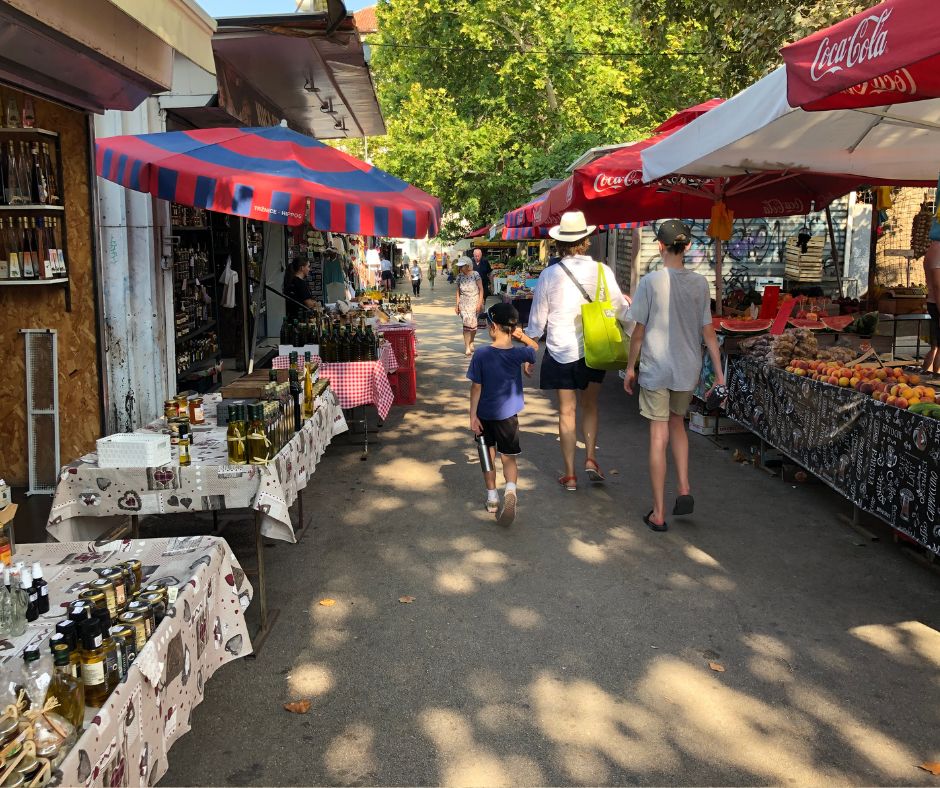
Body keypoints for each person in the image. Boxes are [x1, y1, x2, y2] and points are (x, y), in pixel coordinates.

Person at [623, 220, 725, 533]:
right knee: (677, 423)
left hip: (656, 367)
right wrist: (719, 375)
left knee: (658, 436)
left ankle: (659, 512)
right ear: (689, 247)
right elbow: (708, 332)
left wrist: (630, 367)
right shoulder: (699, 283)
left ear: (660, 246)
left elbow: (638, 332)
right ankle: (683, 487)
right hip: (687, 367)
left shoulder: (650, 282)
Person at [526, 211, 631, 491]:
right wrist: (633, 337)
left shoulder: (549, 275)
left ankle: (570, 475)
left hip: (560, 349)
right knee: (591, 406)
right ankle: (591, 458)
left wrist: (529, 348)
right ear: (585, 240)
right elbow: (620, 307)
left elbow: (538, 319)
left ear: (560, 243)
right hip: (593, 349)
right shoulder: (602, 271)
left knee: (566, 411)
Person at [467, 302, 538, 525]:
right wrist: (522, 336)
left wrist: (472, 416)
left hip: (485, 414)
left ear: (494, 327)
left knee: (488, 455)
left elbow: (476, 387)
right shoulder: (519, 353)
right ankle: (510, 490)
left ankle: (492, 498)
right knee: (508, 457)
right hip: (509, 415)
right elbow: (534, 348)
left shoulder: (481, 354)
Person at [455, 257, 484, 356]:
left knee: (473, 326)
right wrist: (457, 304)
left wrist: (479, 303)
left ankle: (471, 341)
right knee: (466, 324)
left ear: (467, 265)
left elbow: (481, 289)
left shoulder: (475, 274)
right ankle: (467, 346)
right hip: (464, 303)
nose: (460, 268)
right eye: (460, 266)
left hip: (474, 302)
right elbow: (458, 291)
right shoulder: (459, 276)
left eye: (462, 266)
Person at [922, 241, 940, 374]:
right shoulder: (938, 249)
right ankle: (935, 377)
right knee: (938, 346)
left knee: (935, 345)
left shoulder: (932, 248)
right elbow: (937, 284)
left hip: (934, 301)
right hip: (937, 302)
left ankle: (925, 374)